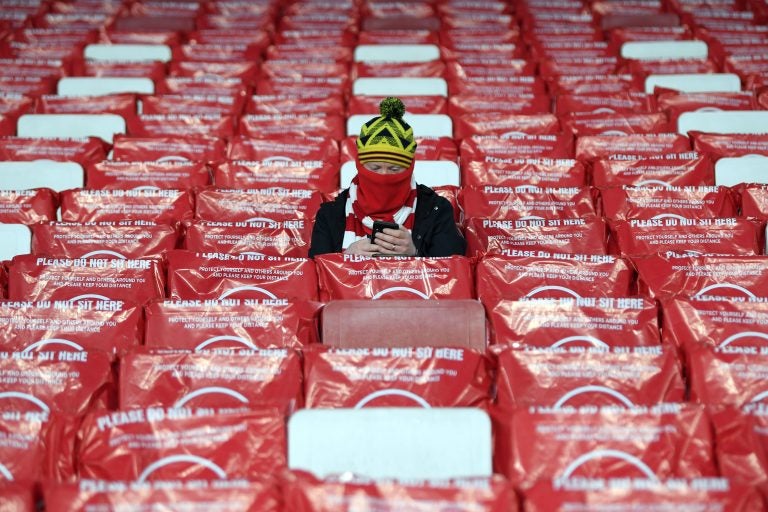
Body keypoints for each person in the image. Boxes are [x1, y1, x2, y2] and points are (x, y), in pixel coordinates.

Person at [309, 97, 466, 258]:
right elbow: (316, 275)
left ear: (410, 167)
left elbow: (453, 272)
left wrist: (416, 252)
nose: (383, 176)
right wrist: (345, 258)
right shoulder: (331, 215)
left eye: (394, 168)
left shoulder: (436, 211)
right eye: (375, 168)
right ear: (360, 165)